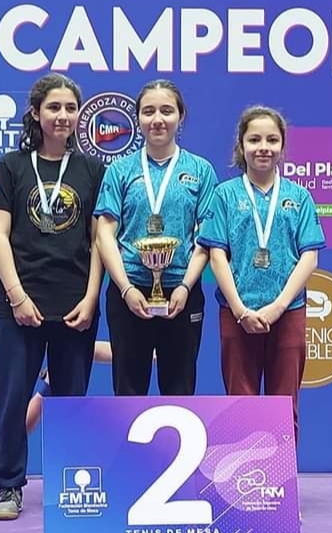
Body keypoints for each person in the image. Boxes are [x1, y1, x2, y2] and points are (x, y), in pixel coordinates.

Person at [0, 73, 105, 520]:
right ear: (36, 113)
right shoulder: (12, 166)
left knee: (71, 402)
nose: (63, 116)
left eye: (70, 108)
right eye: (54, 107)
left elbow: (99, 240)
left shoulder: (92, 170)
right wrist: (16, 297)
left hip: (75, 304)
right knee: (13, 398)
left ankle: (69, 486)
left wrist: (91, 298)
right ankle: (8, 487)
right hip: (19, 304)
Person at [196, 105, 326, 440]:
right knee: (240, 405)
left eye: (272, 139)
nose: (263, 147)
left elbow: (309, 257)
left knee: (285, 405)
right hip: (236, 313)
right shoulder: (224, 195)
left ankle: (280, 475)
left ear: (282, 146)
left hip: (288, 312)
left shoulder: (299, 196)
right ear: (241, 145)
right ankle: (243, 475)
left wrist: (278, 306)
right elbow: (216, 256)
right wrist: (240, 310)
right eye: (254, 139)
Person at [95, 79, 217, 397]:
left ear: (181, 116)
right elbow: (104, 235)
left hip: (181, 293)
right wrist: (125, 288)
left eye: (166, 110)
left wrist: (185, 286)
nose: (157, 119)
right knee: (127, 392)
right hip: (129, 292)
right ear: (138, 118)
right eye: (148, 111)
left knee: (179, 392)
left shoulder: (200, 170)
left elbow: (206, 237)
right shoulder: (119, 170)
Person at [0, 274, 113, 477]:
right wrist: (48, 386)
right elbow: (14, 425)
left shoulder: (27, 338)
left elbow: (89, 349)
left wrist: (139, 355)